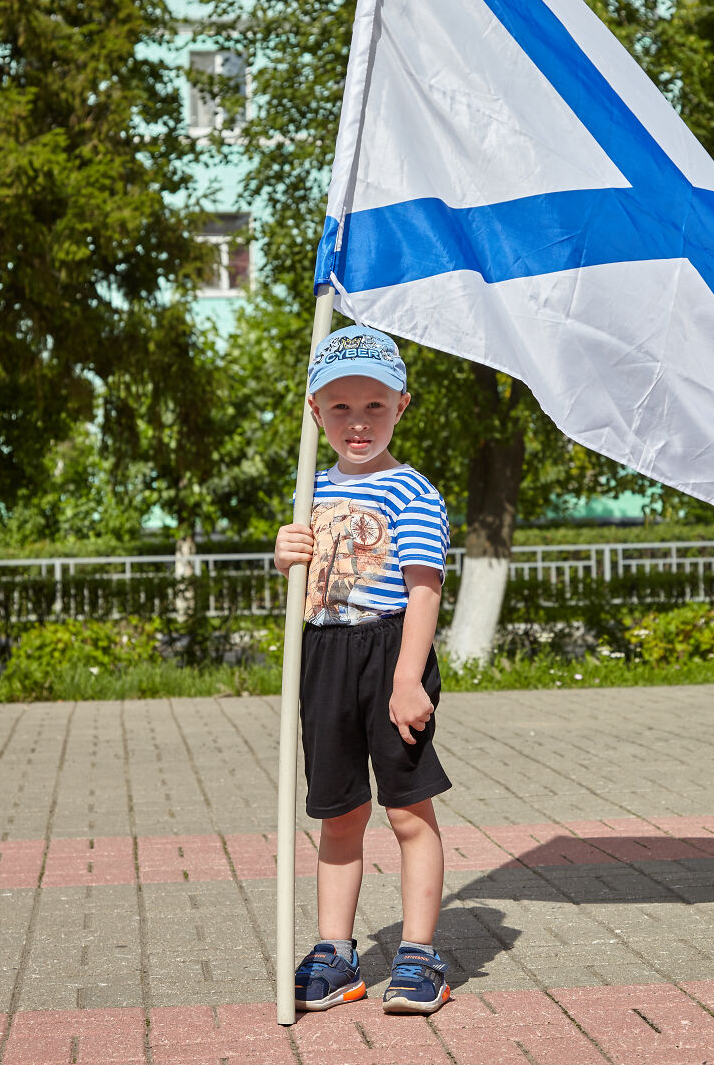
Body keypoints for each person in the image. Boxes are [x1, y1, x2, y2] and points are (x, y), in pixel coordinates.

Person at [275, 324, 452, 1016]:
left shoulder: (411, 490)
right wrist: (287, 554)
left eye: (374, 406)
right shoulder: (308, 489)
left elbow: (424, 588)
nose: (357, 422)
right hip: (323, 655)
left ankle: (418, 954)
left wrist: (408, 678)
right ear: (315, 412)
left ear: (401, 406)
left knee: (407, 809)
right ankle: (335, 952)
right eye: (340, 407)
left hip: (388, 654)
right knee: (338, 811)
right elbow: (306, 578)